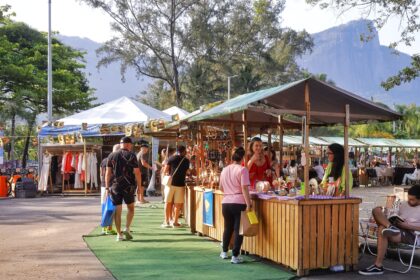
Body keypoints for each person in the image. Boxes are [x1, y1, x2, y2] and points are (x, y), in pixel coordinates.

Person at [359, 184, 420, 275]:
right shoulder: (404, 204)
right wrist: (387, 214)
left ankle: (378, 266)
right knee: (376, 210)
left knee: (382, 229)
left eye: (412, 200)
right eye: (408, 198)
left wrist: (406, 226)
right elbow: (395, 215)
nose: (409, 201)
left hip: (411, 235)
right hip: (396, 228)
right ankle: (390, 226)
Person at [219, 147, 252, 264]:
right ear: (243, 158)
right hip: (238, 202)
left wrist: (229, 192)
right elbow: (244, 188)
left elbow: (220, 188)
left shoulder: (224, 170)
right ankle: (235, 255)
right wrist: (249, 204)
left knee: (228, 228)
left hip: (225, 202)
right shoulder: (243, 170)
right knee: (238, 230)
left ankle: (224, 252)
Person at [105, 137, 142, 241]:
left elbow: (108, 173)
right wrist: (139, 187)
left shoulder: (111, 155)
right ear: (128, 145)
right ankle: (127, 227)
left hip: (115, 186)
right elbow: (137, 172)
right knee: (131, 208)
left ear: (121, 144)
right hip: (129, 186)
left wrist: (107, 187)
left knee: (118, 210)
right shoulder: (131, 155)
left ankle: (119, 234)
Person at [162, 145, 190, 228]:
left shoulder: (171, 158)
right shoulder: (186, 160)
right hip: (180, 184)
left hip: (170, 184)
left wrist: (167, 174)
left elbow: (165, 170)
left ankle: (166, 221)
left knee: (168, 203)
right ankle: (175, 222)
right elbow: (187, 172)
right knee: (178, 204)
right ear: (184, 151)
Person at [100, 144, 120, 235]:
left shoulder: (104, 160)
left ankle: (104, 228)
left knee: (104, 206)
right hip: (111, 185)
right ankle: (109, 228)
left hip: (103, 185)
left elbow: (101, 173)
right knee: (112, 208)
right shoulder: (114, 160)